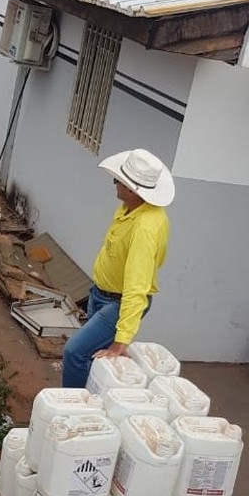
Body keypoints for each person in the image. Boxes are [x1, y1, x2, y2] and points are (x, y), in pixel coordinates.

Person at [61, 148, 174, 389]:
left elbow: (137, 287)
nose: (114, 183)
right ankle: (91, 397)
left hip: (118, 303)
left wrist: (121, 341)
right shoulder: (128, 208)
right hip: (100, 294)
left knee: (74, 353)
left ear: (134, 190)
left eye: (119, 181)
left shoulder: (145, 228)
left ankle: (75, 406)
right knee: (93, 358)